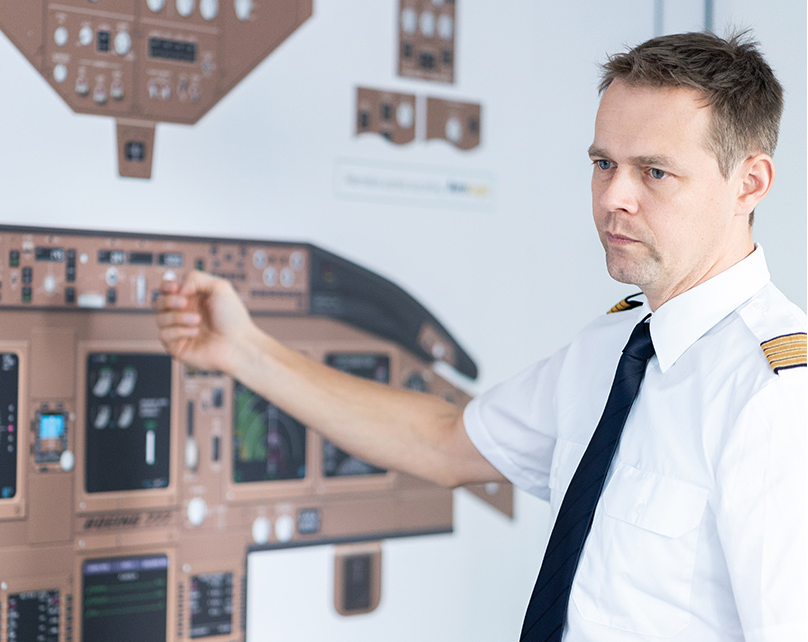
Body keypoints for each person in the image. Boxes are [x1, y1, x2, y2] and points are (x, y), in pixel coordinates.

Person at [154, 31, 806, 641]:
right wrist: (244, 351)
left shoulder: (773, 396)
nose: (614, 198)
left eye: (655, 172)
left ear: (749, 183)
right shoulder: (613, 350)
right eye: (604, 163)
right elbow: (444, 443)